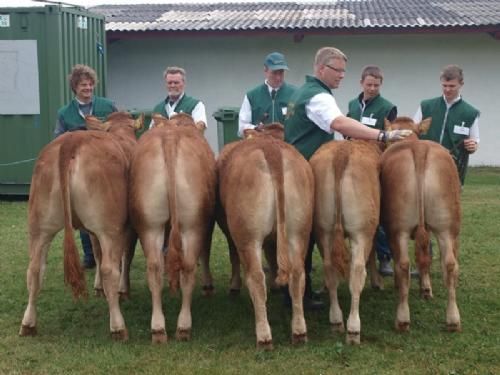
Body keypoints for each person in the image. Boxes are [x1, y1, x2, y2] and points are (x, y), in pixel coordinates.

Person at [284, 47, 412, 306]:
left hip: (296, 163)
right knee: (306, 234)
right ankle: (299, 293)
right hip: (307, 167)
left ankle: (298, 290)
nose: (342, 76)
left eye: (344, 71)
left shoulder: (300, 93)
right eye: (338, 70)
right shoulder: (319, 95)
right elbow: (339, 123)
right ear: (321, 69)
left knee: (302, 233)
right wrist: (382, 135)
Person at [55, 64, 118, 269]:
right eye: (83, 85)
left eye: (90, 84)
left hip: (107, 167)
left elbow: (120, 130)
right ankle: (90, 254)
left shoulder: (108, 106)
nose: (88, 88)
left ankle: (114, 251)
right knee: (84, 211)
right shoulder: (65, 113)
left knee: (110, 209)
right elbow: (58, 138)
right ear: (75, 87)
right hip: (80, 169)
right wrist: (82, 130)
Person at [346, 65, 397, 277]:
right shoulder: (352, 104)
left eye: (376, 85)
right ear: (361, 83)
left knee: (378, 207)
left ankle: (384, 256)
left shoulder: (388, 107)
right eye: (369, 84)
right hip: (352, 158)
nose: (372, 88)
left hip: (375, 160)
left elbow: (390, 137)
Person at [413, 64, 480, 185]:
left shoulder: (471, 113)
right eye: (444, 85)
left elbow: (474, 141)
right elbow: (413, 132)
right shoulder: (426, 106)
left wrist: (473, 145)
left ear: (461, 84)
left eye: (452, 86)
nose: (447, 89)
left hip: (453, 169)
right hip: (424, 166)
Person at [238, 52, 296, 137]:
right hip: (260, 146)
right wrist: (256, 129)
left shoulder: (294, 95)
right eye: (274, 73)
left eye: (281, 73)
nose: (278, 77)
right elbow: (242, 128)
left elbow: (298, 124)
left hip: (286, 146)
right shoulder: (252, 96)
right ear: (265, 70)